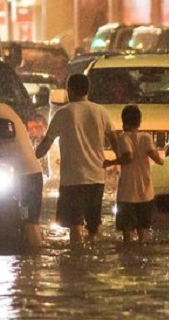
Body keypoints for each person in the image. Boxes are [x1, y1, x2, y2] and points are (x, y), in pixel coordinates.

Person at [35, 73, 119, 244]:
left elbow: (46, 143)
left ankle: (77, 261)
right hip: (97, 178)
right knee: (94, 226)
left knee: (74, 225)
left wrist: (32, 158)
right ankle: (94, 259)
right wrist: (119, 161)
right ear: (88, 90)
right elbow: (114, 140)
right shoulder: (101, 112)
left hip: (73, 180)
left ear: (70, 90)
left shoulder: (63, 113)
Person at [0, 94, 44, 249]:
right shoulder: (1, 107)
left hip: (24, 175)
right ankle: (33, 257)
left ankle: (35, 257)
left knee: (28, 221)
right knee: (28, 220)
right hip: (29, 172)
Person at [103, 104, 163, 244]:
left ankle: (129, 261)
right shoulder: (146, 137)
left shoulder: (123, 138)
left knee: (127, 235)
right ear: (139, 121)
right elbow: (157, 159)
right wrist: (163, 158)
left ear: (124, 121)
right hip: (146, 193)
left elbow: (128, 157)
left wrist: (110, 162)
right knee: (143, 233)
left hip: (127, 194)